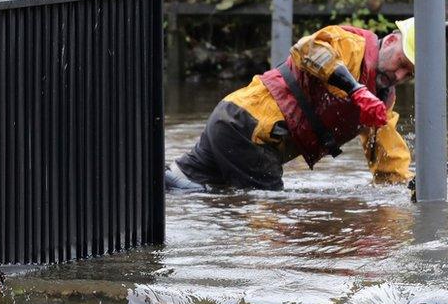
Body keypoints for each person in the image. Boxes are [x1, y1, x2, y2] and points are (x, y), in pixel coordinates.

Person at [166, 18, 418, 192]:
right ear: (393, 41)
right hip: (248, 129)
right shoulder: (352, 46)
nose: (399, 75)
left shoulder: (383, 100)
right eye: (402, 63)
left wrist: (412, 187)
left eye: (409, 74)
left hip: (234, 124)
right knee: (271, 215)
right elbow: (306, 49)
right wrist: (355, 88)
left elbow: (388, 161)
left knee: (179, 184)